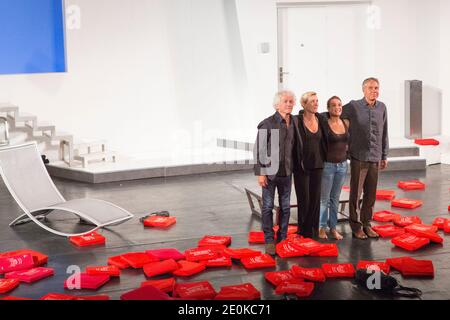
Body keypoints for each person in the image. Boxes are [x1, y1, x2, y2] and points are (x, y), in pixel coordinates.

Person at [341, 78, 389, 240]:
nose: (374, 91)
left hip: (375, 156)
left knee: (371, 194)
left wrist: (384, 155)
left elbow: (385, 132)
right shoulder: (353, 106)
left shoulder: (382, 107)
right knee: (356, 194)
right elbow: (336, 114)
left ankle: (367, 224)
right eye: (370, 88)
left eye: (376, 88)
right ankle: (356, 227)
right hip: (359, 157)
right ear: (363, 90)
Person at [254, 90, 295, 255]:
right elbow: (259, 150)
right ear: (277, 104)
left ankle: (283, 237)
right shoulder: (267, 123)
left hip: (287, 172)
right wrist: (260, 172)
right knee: (268, 207)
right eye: (285, 101)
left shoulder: (294, 122)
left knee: (285, 207)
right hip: (270, 173)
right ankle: (269, 239)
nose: (289, 104)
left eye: (291, 101)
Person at [292, 92, 326, 239]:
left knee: (315, 199)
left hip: (318, 164)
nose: (316, 103)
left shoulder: (321, 119)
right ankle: (303, 230)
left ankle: (313, 229)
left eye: (317, 101)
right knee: (304, 199)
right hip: (302, 166)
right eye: (312, 101)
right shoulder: (296, 120)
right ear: (304, 104)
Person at [318, 96, 349, 240]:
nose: (337, 107)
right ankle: (321, 228)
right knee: (324, 199)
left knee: (335, 199)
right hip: (328, 166)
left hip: (342, 166)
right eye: (333, 105)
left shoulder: (346, 122)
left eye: (339, 105)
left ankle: (333, 228)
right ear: (328, 109)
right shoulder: (324, 123)